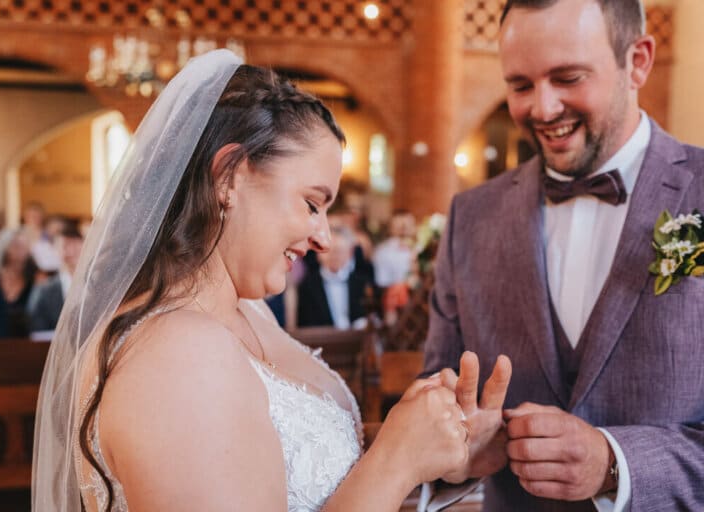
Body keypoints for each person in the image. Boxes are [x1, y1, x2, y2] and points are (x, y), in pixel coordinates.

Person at [32, 50, 513, 512]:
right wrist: (396, 460)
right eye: (311, 203)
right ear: (229, 177)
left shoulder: (247, 312)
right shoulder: (175, 353)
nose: (323, 236)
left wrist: (440, 448)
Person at [423, 0, 704, 510]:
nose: (542, 109)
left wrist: (617, 462)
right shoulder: (471, 217)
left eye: (568, 77)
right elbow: (438, 394)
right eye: (520, 85)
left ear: (637, 61)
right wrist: (452, 450)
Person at [297, 223, 373, 329]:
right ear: (318, 253)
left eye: (339, 251)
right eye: (328, 251)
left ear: (350, 253)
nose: (333, 256)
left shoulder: (363, 283)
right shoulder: (306, 286)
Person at [28, 223, 83, 333]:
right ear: (55, 250)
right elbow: (36, 326)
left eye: (75, 245)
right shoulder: (43, 290)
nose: (71, 251)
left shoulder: (99, 286)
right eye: (65, 245)